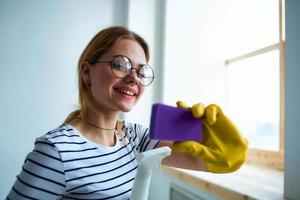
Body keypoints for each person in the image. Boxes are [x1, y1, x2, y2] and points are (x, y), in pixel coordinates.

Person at [7, 26, 248, 199]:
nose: (134, 77)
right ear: (87, 72)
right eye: (121, 64)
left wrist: (223, 144)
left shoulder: (136, 138)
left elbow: (210, 161)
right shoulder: (56, 151)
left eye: (142, 71)